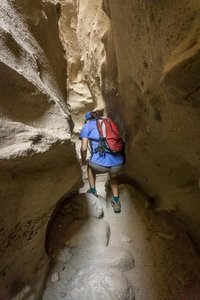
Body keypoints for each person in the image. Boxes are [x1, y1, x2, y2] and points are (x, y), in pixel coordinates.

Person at [79, 111, 125, 213]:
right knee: (114, 178)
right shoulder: (107, 122)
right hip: (118, 163)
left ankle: (92, 191)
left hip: (99, 166)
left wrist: (83, 161)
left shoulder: (87, 126)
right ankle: (116, 202)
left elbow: (83, 149)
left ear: (87, 119)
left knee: (89, 167)